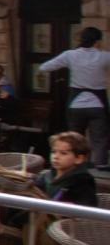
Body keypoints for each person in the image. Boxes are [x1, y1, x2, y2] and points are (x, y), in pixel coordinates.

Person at [42, 29, 110, 169]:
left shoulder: (70, 55)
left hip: (76, 105)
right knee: (100, 139)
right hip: (97, 105)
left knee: (75, 139)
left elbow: (44, 67)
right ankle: (100, 166)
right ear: (97, 41)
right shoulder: (104, 56)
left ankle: (77, 164)